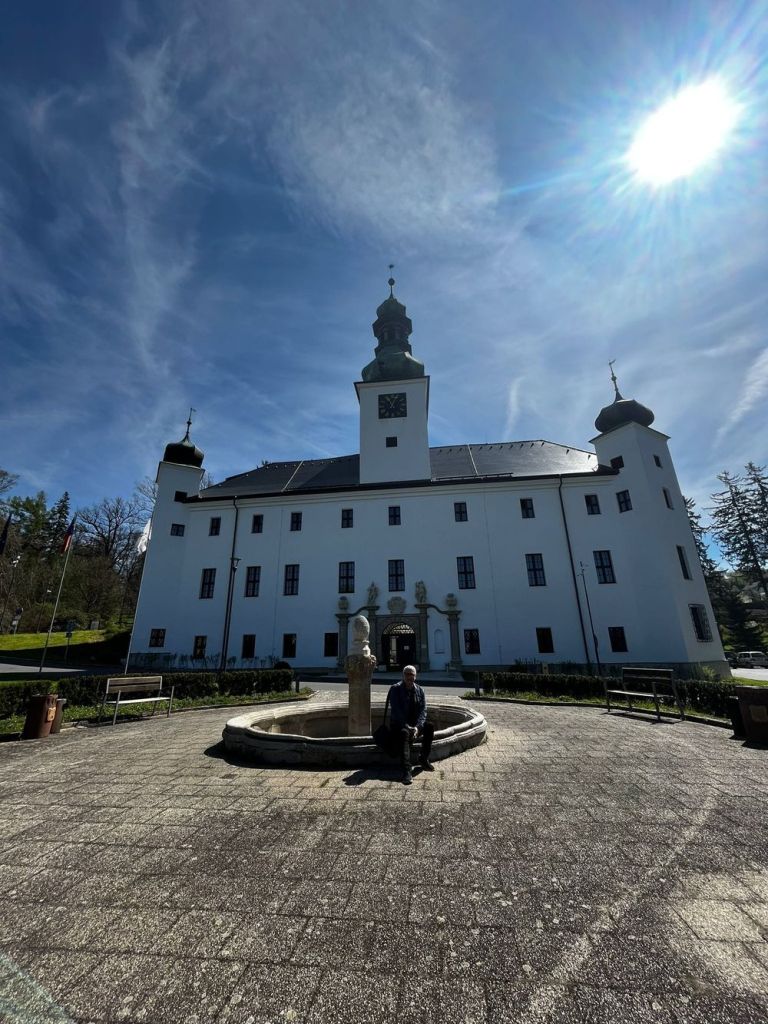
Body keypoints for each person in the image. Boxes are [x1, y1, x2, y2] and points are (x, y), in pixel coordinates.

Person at [386, 664, 435, 784]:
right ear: (403, 676)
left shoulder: (420, 690)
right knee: (404, 734)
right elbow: (396, 712)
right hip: (400, 725)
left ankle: (423, 759)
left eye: (411, 674)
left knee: (429, 726)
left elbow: (423, 711)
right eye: (407, 674)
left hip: (415, 725)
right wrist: (408, 726)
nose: (409, 677)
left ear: (415, 676)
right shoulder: (395, 689)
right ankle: (407, 770)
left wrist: (418, 727)